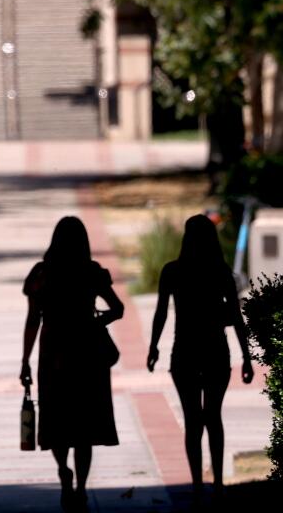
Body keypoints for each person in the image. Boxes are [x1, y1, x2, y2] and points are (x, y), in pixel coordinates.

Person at [147, 215, 254, 506]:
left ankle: (196, 484)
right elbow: (236, 317)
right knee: (213, 417)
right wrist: (246, 357)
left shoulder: (172, 272)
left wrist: (153, 347)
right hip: (216, 352)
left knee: (193, 421)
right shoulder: (221, 273)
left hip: (184, 353)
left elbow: (161, 313)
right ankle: (217, 483)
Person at [20, 216, 124, 513]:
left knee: (55, 417)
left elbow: (32, 320)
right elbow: (118, 309)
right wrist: (96, 319)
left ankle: (63, 471)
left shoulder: (42, 274)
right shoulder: (91, 273)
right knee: (85, 422)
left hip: (53, 353)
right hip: (87, 351)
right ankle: (80, 485)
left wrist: (25, 360)